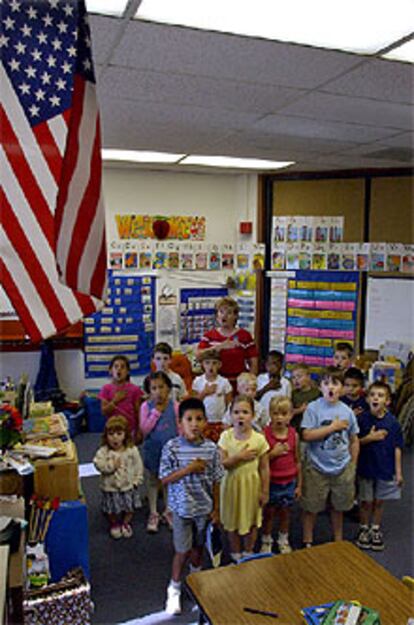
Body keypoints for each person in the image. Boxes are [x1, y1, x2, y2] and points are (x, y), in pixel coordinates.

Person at [159, 398, 223, 615]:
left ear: (205, 421)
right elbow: (165, 478)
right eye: (189, 419)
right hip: (181, 510)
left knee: (198, 549)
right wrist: (189, 469)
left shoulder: (212, 449)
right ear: (180, 423)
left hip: (203, 510)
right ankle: (174, 588)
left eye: (199, 419)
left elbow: (216, 480)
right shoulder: (172, 447)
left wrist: (216, 509)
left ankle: (194, 582)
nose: (194, 424)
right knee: (182, 550)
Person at [301, 367, 360, 546]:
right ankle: (307, 540)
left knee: (338, 507)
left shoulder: (347, 411)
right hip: (316, 467)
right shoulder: (313, 408)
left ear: (342, 388)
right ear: (320, 387)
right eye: (326, 383)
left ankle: (337, 539)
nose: (331, 388)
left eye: (335, 383)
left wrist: (353, 465)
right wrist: (332, 428)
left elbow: (354, 439)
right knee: (311, 507)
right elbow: (306, 435)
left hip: (342, 467)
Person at [218, 395, 269, 562]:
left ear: (253, 415)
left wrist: (264, 491)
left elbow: (264, 467)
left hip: (251, 486)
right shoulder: (226, 437)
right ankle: (235, 552)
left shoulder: (259, 439)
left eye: (245, 412)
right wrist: (239, 456)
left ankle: (248, 551)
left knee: (252, 519)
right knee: (232, 519)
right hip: (231, 486)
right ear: (230, 415)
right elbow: (223, 463)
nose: (240, 416)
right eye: (236, 412)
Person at [355, 382, 403, 552]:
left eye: (380, 395)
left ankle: (375, 528)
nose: (376, 398)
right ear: (367, 399)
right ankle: (364, 527)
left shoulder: (393, 423)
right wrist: (370, 438)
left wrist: (398, 472)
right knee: (366, 501)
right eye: (373, 395)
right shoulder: (361, 420)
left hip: (385, 469)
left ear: (387, 401)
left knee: (379, 501)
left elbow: (397, 448)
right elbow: (355, 443)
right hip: (366, 467)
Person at [261, 397, 302, 555]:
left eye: (284, 414)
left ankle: (283, 539)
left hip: (289, 482)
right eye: (275, 413)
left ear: (291, 415)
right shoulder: (264, 435)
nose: (279, 417)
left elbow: (298, 461)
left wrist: (299, 485)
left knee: (286, 513)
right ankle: (266, 540)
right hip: (271, 482)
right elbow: (260, 461)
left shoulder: (293, 435)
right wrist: (273, 454)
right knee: (269, 513)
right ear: (270, 414)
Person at [140, 371, 179, 533]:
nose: (158, 391)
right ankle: (153, 512)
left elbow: (179, 428)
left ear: (168, 389)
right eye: (153, 388)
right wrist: (156, 412)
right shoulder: (145, 407)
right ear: (149, 391)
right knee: (153, 480)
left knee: (168, 481)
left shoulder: (175, 406)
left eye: (161, 387)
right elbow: (144, 429)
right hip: (153, 450)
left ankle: (168, 511)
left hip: (171, 451)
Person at [93, 416, 144, 539]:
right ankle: (115, 523)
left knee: (129, 507)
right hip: (111, 487)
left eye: (119, 433)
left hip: (128, 486)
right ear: (106, 436)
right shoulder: (103, 451)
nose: (115, 437)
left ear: (125, 435)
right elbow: (98, 464)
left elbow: (138, 466)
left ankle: (125, 523)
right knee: (111, 509)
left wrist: (137, 479)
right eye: (111, 434)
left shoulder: (131, 450)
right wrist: (111, 466)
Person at [197, 296, 258, 391]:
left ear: (235, 316)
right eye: (221, 312)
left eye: (229, 313)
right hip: (216, 383)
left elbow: (253, 363)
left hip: (239, 383)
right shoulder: (209, 336)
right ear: (217, 316)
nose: (224, 316)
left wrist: (250, 384)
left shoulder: (244, 335)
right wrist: (219, 347)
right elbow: (198, 356)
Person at [99, 355, 144, 442]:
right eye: (116, 366)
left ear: (127, 371)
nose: (119, 369)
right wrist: (115, 400)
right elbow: (104, 411)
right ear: (110, 371)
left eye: (123, 367)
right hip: (113, 430)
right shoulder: (106, 389)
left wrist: (139, 430)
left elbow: (138, 412)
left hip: (130, 429)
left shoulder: (135, 389)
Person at [192, 349, 232, 442]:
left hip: (220, 421)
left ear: (219, 365)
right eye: (207, 363)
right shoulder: (198, 381)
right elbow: (194, 403)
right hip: (203, 421)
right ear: (202, 364)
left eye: (214, 363)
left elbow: (229, 404)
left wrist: (227, 421)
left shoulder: (224, 382)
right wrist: (204, 393)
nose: (211, 366)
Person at [256, 350, 291, 415]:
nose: (271, 367)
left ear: (281, 365)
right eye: (269, 363)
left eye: (275, 363)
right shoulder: (260, 378)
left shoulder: (286, 383)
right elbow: (254, 398)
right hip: (261, 415)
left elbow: (288, 404)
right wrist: (267, 388)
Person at [291, 363, 321, 430]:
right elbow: (288, 412)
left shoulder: (317, 393)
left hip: (312, 428)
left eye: (299, 377)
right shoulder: (293, 394)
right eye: (293, 377)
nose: (296, 380)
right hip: (296, 427)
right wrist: (300, 410)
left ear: (308, 377)